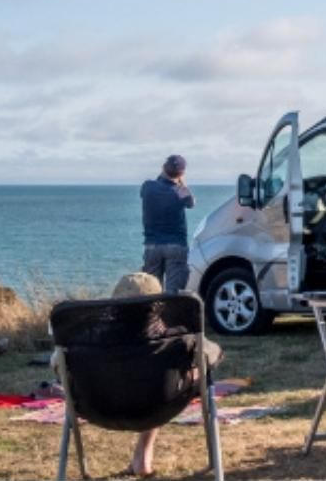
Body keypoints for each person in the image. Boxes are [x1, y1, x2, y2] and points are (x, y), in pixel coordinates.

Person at [110, 272, 222, 477]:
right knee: (171, 379)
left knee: (150, 384)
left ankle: (142, 455)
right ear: (158, 306)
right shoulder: (175, 339)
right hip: (159, 403)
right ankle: (143, 456)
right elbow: (210, 354)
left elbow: (58, 363)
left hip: (102, 407)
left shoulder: (91, 338)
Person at [140, 155, 194, 293]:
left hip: (152, 246)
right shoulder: (181, 191)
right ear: (181, 173)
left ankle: (152, 315)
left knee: (151, 293)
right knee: (173, 294)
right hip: (176, 245)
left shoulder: (147, 187)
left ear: (163, 167)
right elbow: (191, 203)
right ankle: (169, 314)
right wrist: (181, 183)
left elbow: (157, 184)